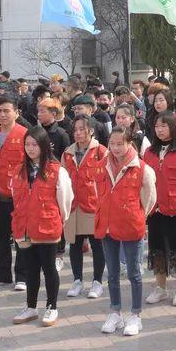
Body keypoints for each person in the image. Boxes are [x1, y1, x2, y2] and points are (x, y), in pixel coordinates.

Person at [10, 125, 74, 327]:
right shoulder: (19, 170)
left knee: (48, 268)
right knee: (30, 269)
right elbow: (16, 198)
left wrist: (56, 220)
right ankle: (30, 307)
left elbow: (66, 200)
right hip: (24, 227)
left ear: (44, 146)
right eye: (27, 144)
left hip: (47, 226)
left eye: (34, 144)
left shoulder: (56, 171)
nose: (30, 148)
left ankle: (51, 306)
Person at [96, 127, 157, 337]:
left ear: (130, 143)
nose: (116, 148)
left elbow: (149, 199)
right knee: (112, 273)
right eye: (112, 144)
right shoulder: (103, 166)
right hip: (107, 226)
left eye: (120, 144)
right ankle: (115, 311)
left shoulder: (141, 168)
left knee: (134, 273)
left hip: (131, 226)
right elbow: (99, 193)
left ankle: (135, 315)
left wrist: (136, 215)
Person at [142, 112, 176, 306]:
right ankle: (160, 288)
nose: (160, 130)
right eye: (157, 126)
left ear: (173, 127)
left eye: (164, 126)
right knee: (157, 249)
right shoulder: (149, 152)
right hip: (155, 208)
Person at [0, 94, 29, 291]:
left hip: (19, 196)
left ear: (16, 113)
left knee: (21, 237)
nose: (2, 115)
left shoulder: (26, 135)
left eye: (6, 111)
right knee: (1, 237)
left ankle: (23, 276)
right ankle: (2, 275)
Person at [63, 115, 108, 299]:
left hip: (93, 204)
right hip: (73, 205)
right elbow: (63, 179)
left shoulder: (101, 151)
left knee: (97, 244)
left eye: (82, 129)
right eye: (75, 130)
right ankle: (77, 280)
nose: (78, 133)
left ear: (91, 131)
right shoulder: (68, 152)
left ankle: (97, 282)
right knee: (75, 244)